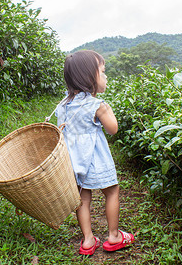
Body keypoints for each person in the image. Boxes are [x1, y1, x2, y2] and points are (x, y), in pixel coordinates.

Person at [56, 50, 135, 256]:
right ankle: (114, 235)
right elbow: (113, 128)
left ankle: (88, 240)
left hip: (75, 161)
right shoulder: (97, 105)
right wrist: (106, 109)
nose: (106, 76)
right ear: (89, 77)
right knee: (112, 191)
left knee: (83, 198)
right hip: (95, 158)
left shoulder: (63, 105)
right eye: (103, 71)